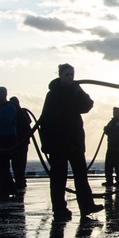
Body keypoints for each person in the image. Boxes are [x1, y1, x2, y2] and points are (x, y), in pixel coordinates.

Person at [38, 64, 104, 222]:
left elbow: (88, 105)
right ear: (60, 75)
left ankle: (87, 205)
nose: (70, 77)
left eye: (72, 75)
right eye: (67, 74)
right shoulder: (52, 94)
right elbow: (45, 120)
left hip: (74, 141)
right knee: (58, 178)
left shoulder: (74, 91)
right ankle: (59, 209)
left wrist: (78, 90)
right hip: (58, 143)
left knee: (81, 175)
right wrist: (47, 143)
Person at [0, 86, 18, 202]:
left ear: (5, 94)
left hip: (8, 140)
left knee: (3, 166)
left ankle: (4, 190)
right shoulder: (0, 108)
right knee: (2, 166)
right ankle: (11, 188)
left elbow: (8, 121)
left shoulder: (10, 107)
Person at [9, 96, 31, 193]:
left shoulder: (22, 112)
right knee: (17, 162)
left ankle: (20, 180)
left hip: (21, 141)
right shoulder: (17, 112)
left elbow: (28, 123)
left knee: (19, 162)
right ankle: (20, 180)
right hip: (16, 141)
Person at [103, 107, 119, 190]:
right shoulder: (111, 122)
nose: (114, 113)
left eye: (116, 112)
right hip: (110, 147)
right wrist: (106, 130)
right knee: (108, 165)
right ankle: (109, 180)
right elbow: (109, 132)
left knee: (118, 165)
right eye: (114, 112)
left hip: (118, 148)